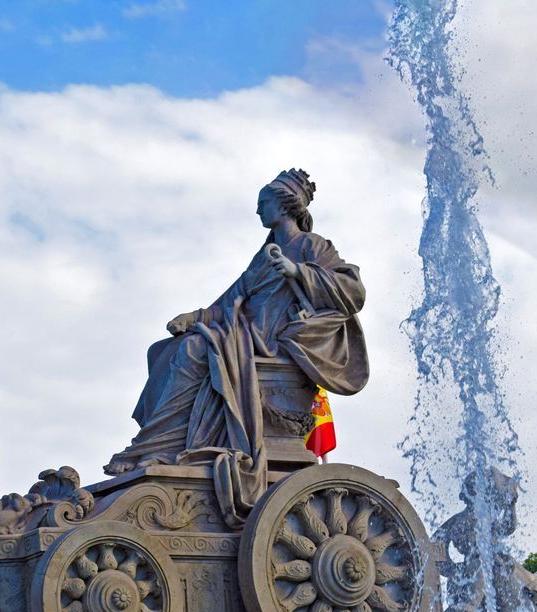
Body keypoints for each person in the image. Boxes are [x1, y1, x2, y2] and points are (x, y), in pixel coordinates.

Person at [105, 169, 368, 524]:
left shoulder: (312, 246)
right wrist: (195, 314)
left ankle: (155, 447)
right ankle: (156, 444)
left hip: (270, 343)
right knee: (163, 350)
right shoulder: (262, 257)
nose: (258, 211)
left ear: (285, 204)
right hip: (243, 333)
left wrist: (297, 272)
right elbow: (232, 298)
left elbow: (353, 291)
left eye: (264, 203)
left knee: (195, 352)